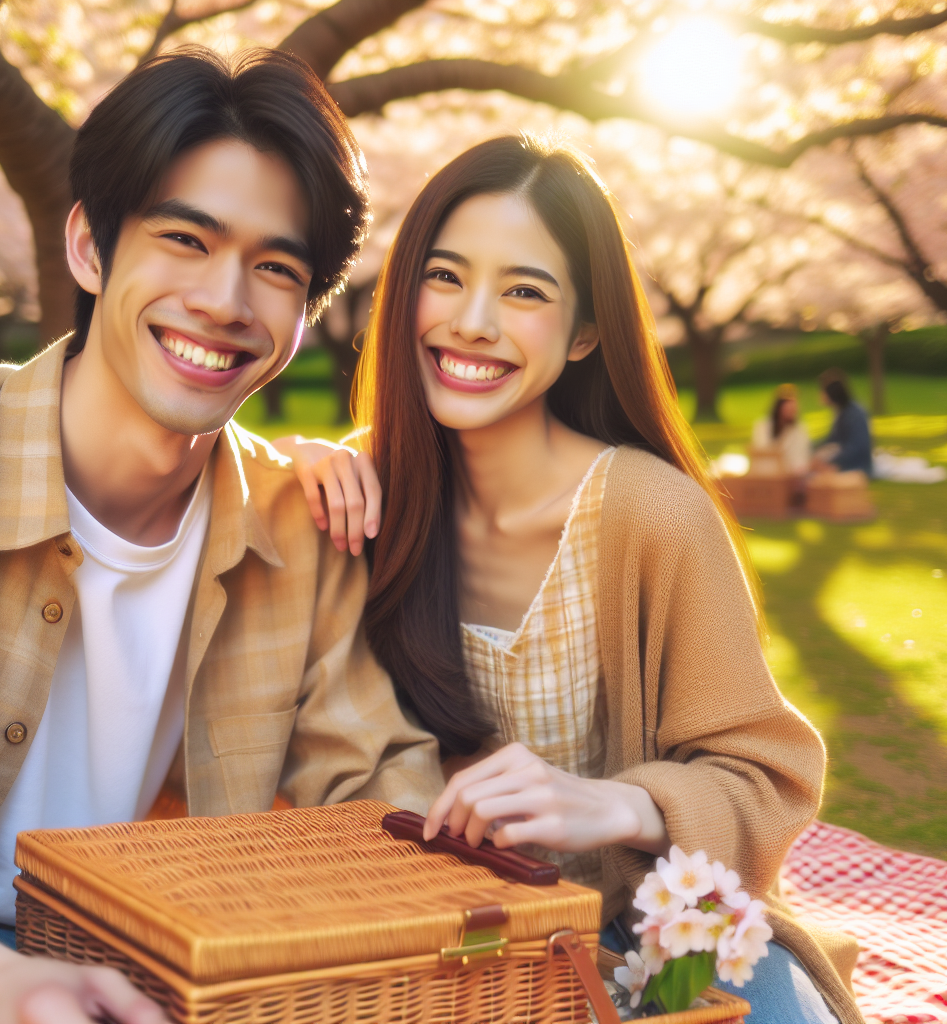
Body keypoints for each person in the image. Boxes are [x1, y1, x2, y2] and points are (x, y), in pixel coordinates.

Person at [291, 136, 864, 1023]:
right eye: (445, 277)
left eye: (525, 291)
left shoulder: (651, 514)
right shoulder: (366, 503)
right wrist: (294, 460)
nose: (472, 320)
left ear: (587, 331)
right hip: (450, 940)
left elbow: (766, 776)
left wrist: (615, 805)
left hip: (662, 932)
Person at [0, 48, 442, 1024]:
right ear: (89, 246)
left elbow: (380, 797)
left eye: (274, 269)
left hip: (152, 979)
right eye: (185, 239)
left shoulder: (301, 530)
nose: (224, 302)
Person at [812, 370, 873, 476]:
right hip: (844, 460)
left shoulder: (855, 414)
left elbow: (857, 447)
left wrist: (834, 462)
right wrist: (812, 449)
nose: (820, 395)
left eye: (822, 391)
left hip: (857, 465)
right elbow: (832, 439)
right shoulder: (841, 412)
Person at [750, 383, 811, 476]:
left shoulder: (799, 430)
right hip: (764, 474)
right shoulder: (762, 427)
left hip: (790, 475)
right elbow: (760, 450)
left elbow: (802, 455)